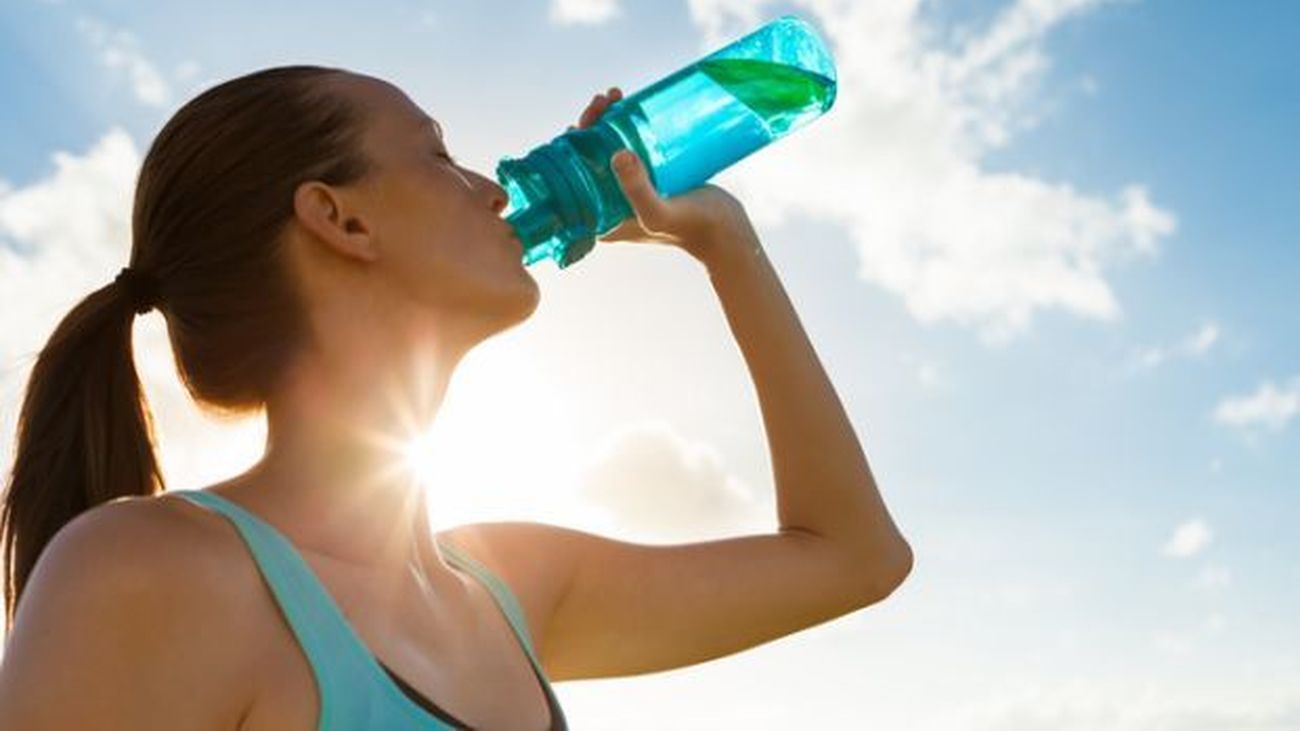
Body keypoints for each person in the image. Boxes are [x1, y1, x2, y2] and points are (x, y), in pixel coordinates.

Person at [0, 65, 913, 729]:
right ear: (341, 218)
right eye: (439, 155)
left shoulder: (507, 586)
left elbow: (856, 557)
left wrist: (724, 242)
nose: (492, 186)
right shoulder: (151, 571)